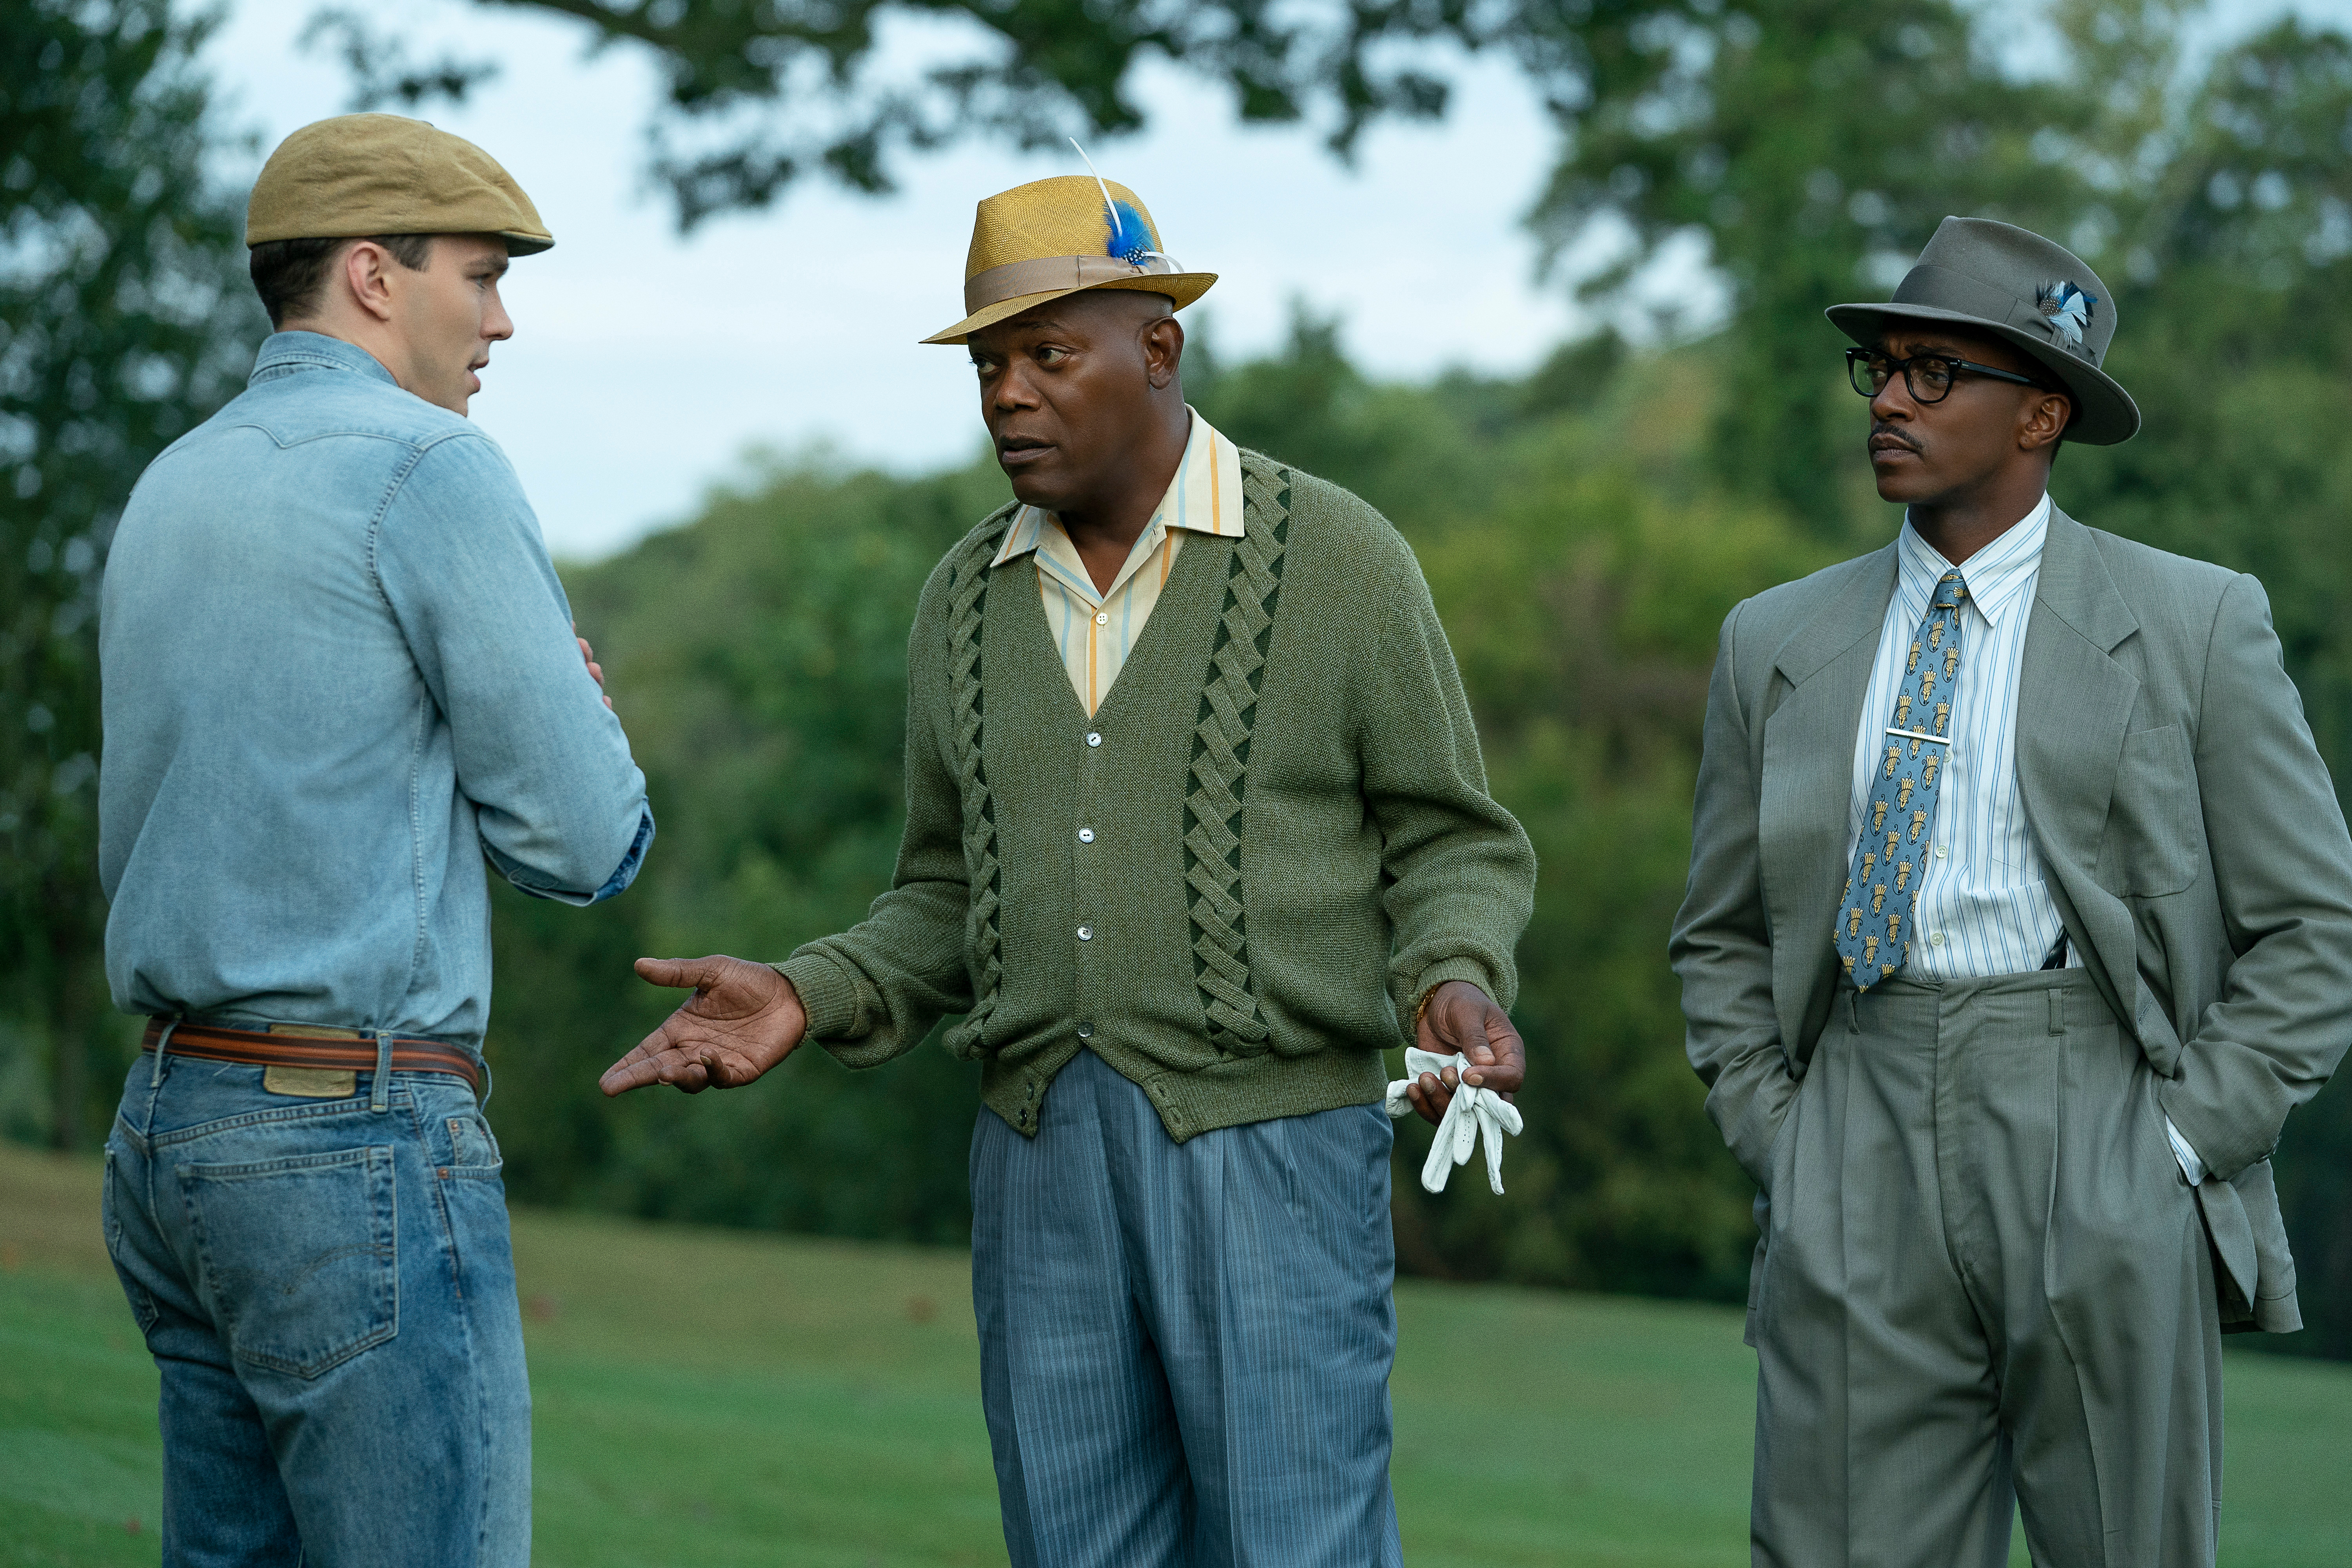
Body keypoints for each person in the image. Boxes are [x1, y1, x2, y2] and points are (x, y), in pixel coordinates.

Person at [599, 171, 1535, 1565]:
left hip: (1270, 1146)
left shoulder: (1336, 558)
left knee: (1297, 1544)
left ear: (1157, 348)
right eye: (989, 364)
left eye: (1050, 354)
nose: (1009, 396)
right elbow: (942, 896)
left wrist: (1453, 974)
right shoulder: (963, 601)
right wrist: (811, 992)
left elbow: (1452, 834)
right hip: (1037, 1158)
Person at [1670, 215, 2352, 1566]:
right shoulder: (1775, 640)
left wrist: (2171, 1151)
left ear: (2041, 413)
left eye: (1935, 373)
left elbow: (2317, 932)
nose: (1890, 400)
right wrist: (1785, 1141)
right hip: (1851, 1123)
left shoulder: (2197, 622)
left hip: (2097, 1118)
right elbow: (1721, 934)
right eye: (1881, 369)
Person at [98, 114, 652, 1566]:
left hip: (170, 1132)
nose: (503, 319)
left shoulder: (176, 481)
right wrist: (557, 715)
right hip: (350, 1135)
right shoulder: (430, 471)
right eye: (480, 275)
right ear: (370, 274)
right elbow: (585, 841)